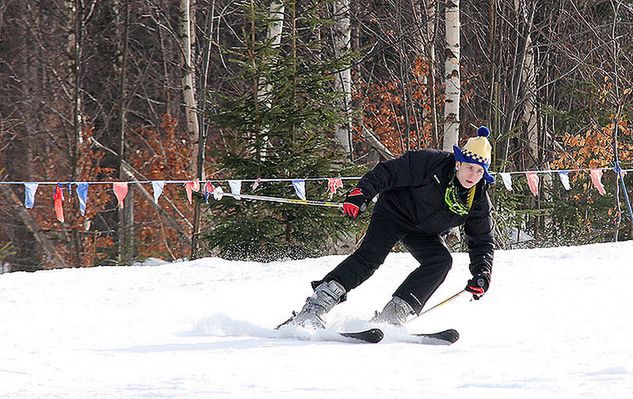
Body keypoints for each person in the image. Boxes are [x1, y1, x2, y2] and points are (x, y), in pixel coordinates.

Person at [282, 126, 495, 329]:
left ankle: (394, 315)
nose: (472, 176)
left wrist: (482, 274)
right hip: (394, 213)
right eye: (469, 167)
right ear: (458, 163)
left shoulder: (477, 200)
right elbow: (388, 172)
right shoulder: (431, 163)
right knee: (369, 259)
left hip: (424, 232)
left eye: (479, 171)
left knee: (440, 261)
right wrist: (361, 193)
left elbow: (482, 240)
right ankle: (314, 307)